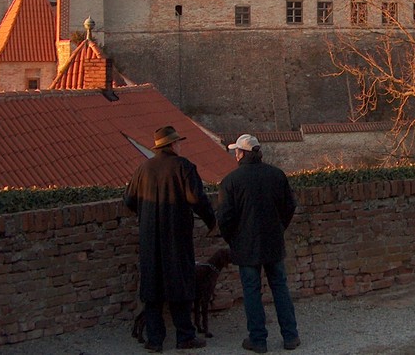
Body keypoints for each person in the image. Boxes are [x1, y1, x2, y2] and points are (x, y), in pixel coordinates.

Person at [124, 126, 215, 352]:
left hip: (150, 235)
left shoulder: (143, 168)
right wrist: (212, 220)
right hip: (177, 234)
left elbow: (129, 200)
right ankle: (184, 336)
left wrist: (145, 214)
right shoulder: (183, 167)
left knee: (152, 286)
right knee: (180, 283)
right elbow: (196, 198)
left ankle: (155, 340)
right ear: (173, 145)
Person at [218, 135, 300, 353]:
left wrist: (233, 239)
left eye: (237, 151)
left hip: (246, 244)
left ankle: (258, 339)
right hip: (272, 241)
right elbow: (289, 206)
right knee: (280, 287)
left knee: (252, 292)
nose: (235, 154)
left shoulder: (231, 181)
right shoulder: (276, 175)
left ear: (242, 153)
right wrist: (279, 228)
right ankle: (290, 336)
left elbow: (224, 218)